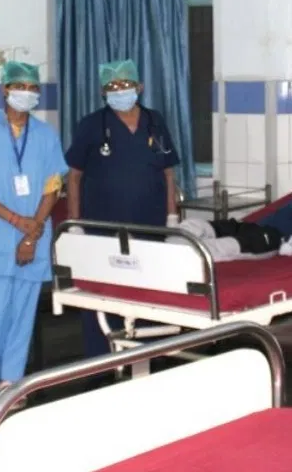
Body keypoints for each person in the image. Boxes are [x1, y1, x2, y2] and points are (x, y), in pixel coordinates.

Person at [0, 61, 66, 411]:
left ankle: (12, 379)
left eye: (33, 88)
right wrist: (18, 221)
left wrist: (32, 232)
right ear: (4, 90)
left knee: (22, 312)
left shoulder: (46, 136)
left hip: (34, 235)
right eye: (20, 86)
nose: (27, 93)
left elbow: (52, 187)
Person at [65, 58, 180, 358]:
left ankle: (146, 356)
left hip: (149, 224)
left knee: (147, 289)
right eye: (113, 86)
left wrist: (172, 217)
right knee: (101, 292)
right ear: (103, 92)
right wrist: (75, 224)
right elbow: (74, 176)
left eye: (126, 84)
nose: (120, 91)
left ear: (139, 87)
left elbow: (169, 173)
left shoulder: (155, 121)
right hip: (102, 226)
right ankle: (100, 361)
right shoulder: (91, 125)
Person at [172, 156, 292, 261]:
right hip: (253, 226)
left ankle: (178, 258)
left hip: (272, 239)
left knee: (222, 247)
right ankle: (168, 247)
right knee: (195, 225)